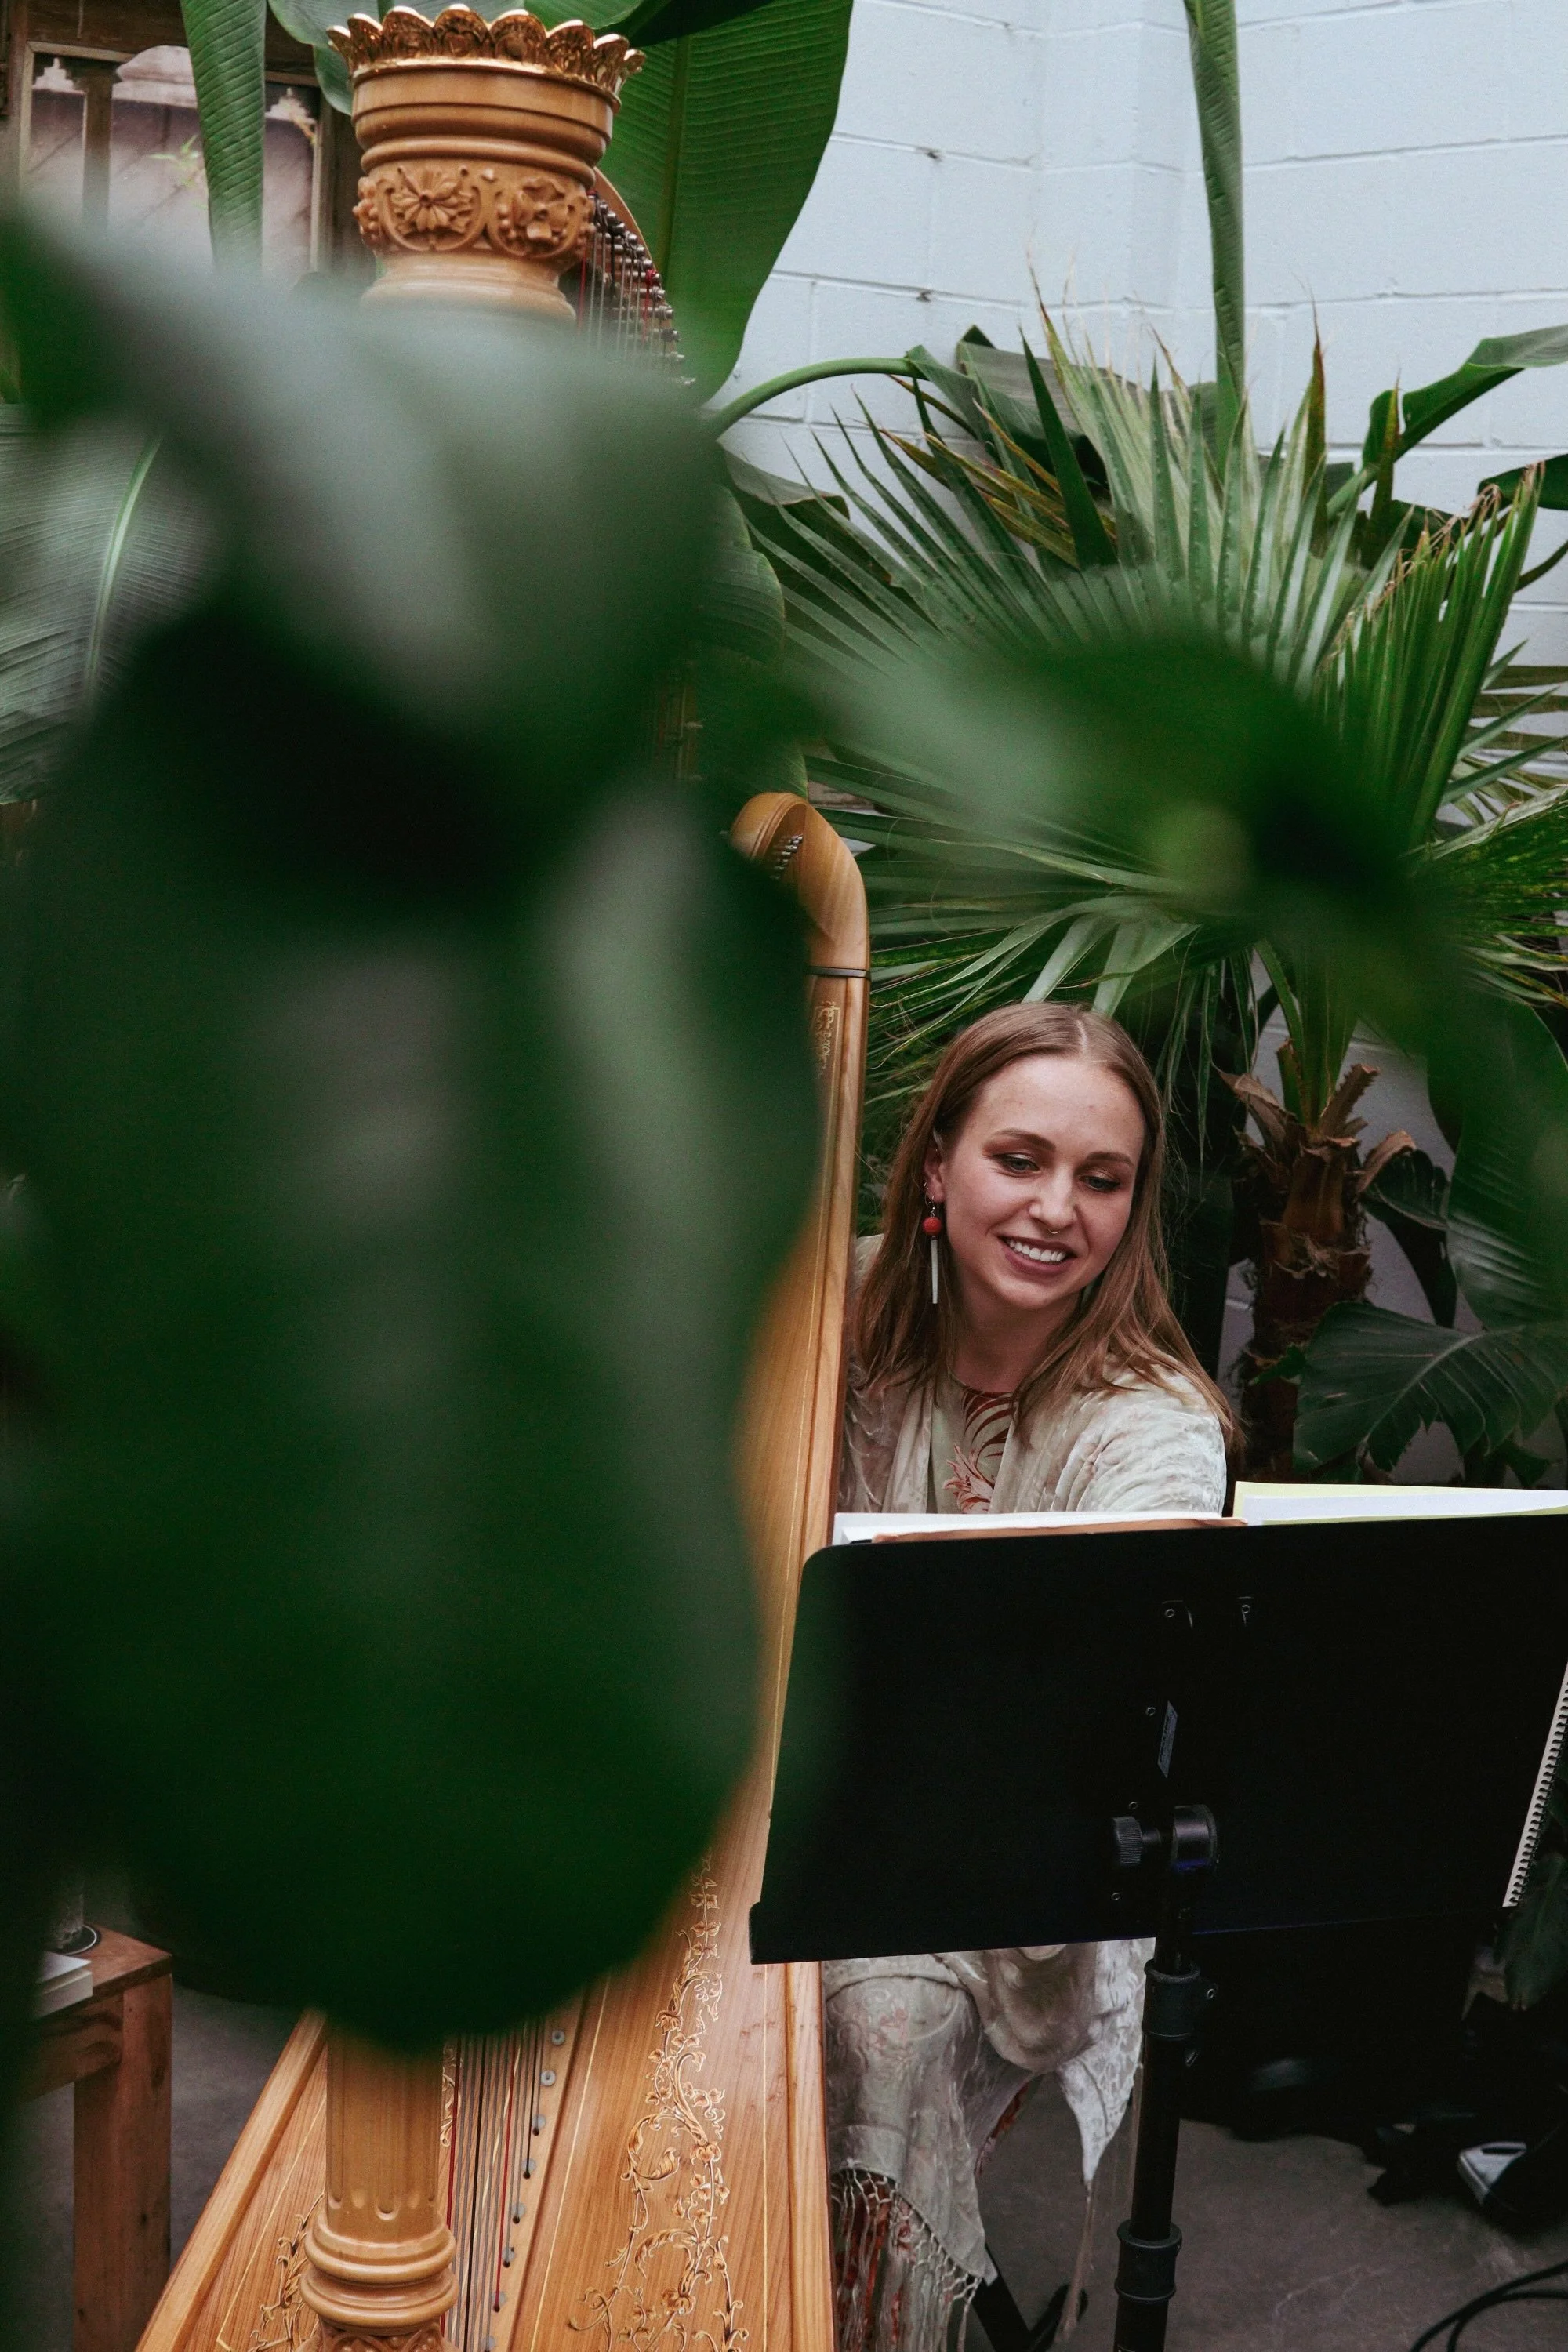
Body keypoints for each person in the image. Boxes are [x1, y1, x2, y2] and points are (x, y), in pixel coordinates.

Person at [828, 1002, 1231, 2352]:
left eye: (1101, 1179)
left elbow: (1072, 1741)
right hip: (803, 1805)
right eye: (1020, 1159)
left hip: (1008, 1888)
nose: (1058, 1208)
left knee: (875, 2026)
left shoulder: (1154, 1433)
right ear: (936, 1164)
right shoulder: (833, 1316)